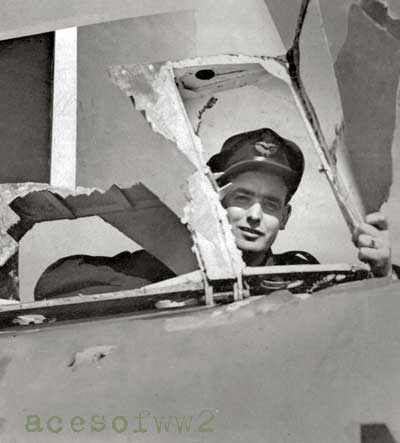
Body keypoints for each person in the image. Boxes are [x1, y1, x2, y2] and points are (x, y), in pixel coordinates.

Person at [35, 128, 392, 299]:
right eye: (242, 198)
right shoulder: (163, 262)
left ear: (285, 217)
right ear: (216, 204)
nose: (254, 215)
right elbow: (53, 283)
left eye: (270, 205)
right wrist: (184, 284)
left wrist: (384, 275)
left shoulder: (300, 274)